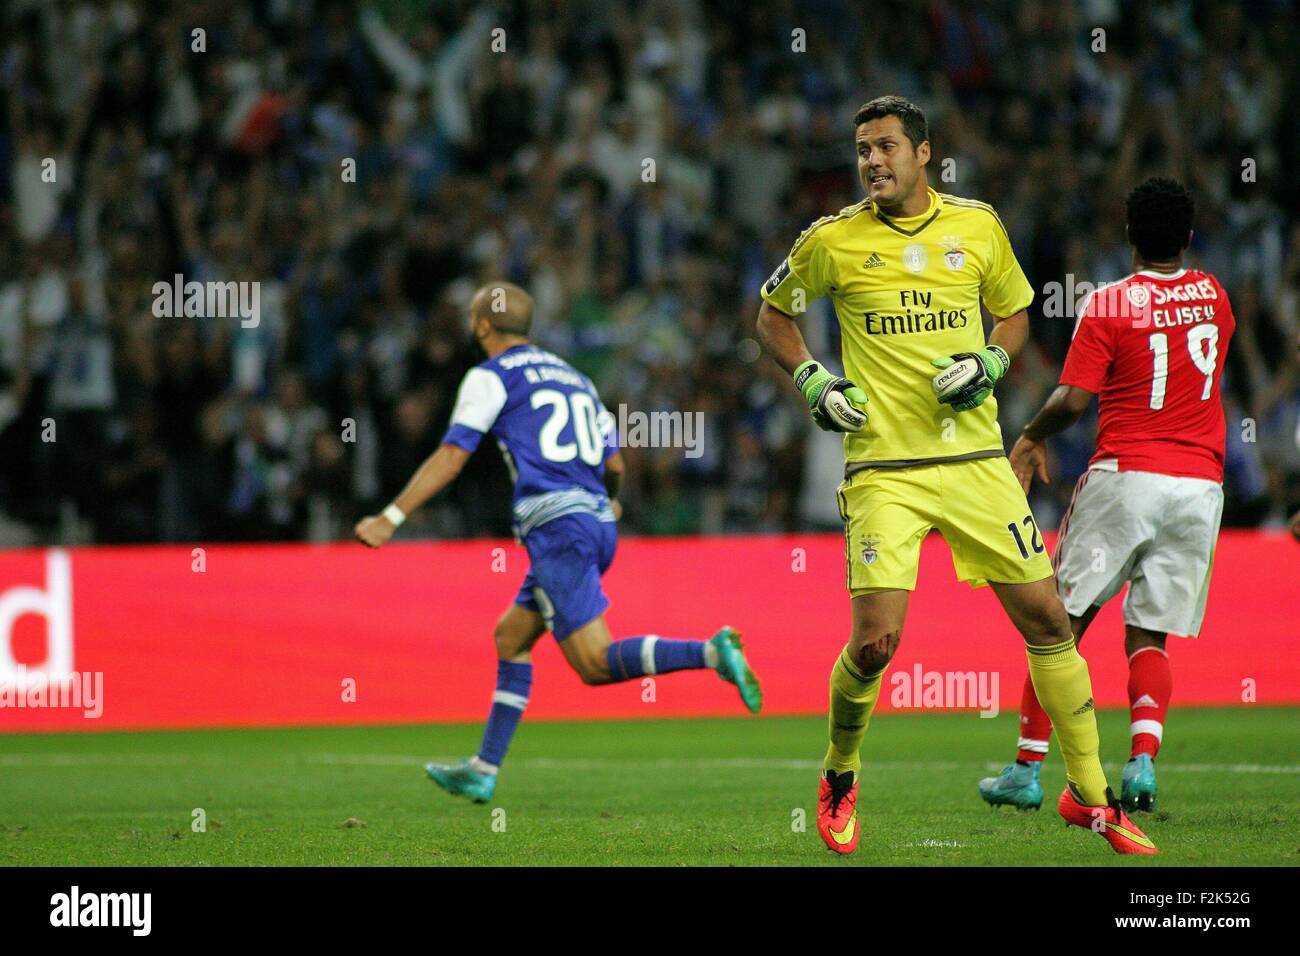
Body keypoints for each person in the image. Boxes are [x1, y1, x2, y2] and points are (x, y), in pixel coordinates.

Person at [755, 96, 1155, 855]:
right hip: (885, 470)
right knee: (876, 645)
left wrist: (994, 361)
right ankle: (841, 771)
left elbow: (1014, 314)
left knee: (1048, 621)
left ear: (924, 153)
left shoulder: (977, 225)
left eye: (885, 146)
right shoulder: (832, 241)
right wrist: (813, 379)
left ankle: (1093, 798)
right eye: (863, 148)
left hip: (975, 461)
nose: (872, 160)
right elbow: (772, 314)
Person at [355, 282, 762, 804]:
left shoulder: (490, 376)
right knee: (511, 637)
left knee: (593, 664)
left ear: (481, 326)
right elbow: (614, 464)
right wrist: (608, 503)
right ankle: (482, 768)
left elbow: (452, 457)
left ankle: (710, 651)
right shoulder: (577, 378)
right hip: (593, 521)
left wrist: (392, 516)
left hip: (556, 526)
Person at [980, 178, 1235, 814]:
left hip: (1127, 477)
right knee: (1150, 637)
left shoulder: (1110, 304)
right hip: (1200, 487)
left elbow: (1073, 398)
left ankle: (1026, 769)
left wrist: (1031, 435)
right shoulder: (1216, 297)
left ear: (1127, 236)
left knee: (1057, 626)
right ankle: (1143, 765)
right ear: (1190, 238)